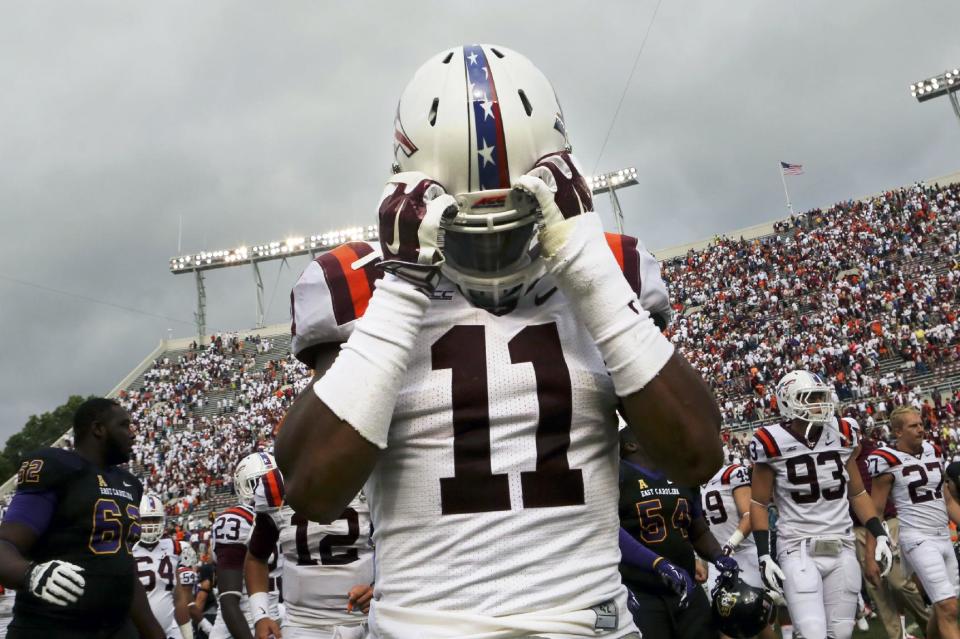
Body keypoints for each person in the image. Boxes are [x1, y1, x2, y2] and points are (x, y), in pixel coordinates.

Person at [277, 43, 722, 638]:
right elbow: (312, 492)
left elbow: (696, 455)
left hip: (588, 623)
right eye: (466, 226)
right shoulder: (361, 285)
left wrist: (588, 271)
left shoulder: (609, 267)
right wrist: (404, 287)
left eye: (515, 222)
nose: (491, 250)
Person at [0, 397, 165, 638]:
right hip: (53, 628)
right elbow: (5, 544)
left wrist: (154, 632)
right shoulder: (58, 467)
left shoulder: (129, 484)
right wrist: (30, 573)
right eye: (123, 425)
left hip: (115, 627)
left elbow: (123, 566)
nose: (132, 433)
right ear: (98, 429)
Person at [749, 370, 893, 639]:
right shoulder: (770, 441)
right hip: (797, 547)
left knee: (839, 633)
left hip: (842, 546)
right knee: (812, 632)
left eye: (820, 396)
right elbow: (758, 503)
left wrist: (879, 532)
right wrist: (764, 555)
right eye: (810, 397)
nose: (819, 403)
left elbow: (858, 494)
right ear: (788, 402)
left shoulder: (843, 432)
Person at [618, 427, 737, 639]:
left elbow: (697, 530)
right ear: (631, 444)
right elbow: (611, 532)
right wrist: (658, 564)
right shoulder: (617, 475)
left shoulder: (681, 474)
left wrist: (718, 556)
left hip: (686, 585)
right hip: (641, 591)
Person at [244, 465, 374, 639]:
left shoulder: (368, 471)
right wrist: (260, 615)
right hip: (303, 624)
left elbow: (398, 544)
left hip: (371, 619)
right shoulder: (275, 484)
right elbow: (255, 559)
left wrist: (379, 588)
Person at [867, 406, 960, 639]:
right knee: (947, 606)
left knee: (945, 609)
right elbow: (875, 510)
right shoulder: (886, 460)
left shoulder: (932, 450)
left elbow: (947, 500)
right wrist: (870, 554)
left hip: (942, 536)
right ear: (898, 432)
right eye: (913, 425)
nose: (921, 429)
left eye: (921, 424)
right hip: (917, 538)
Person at [851, 423, 930, 639]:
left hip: (886, 521)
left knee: (898, 582)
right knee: (875, 586)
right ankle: (897, 636)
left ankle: (928, 622)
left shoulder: (876, 453)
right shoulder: (840, 458)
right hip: (857, 527)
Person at [209, 453, 282, 639]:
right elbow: (228, 600)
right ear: (242, 486)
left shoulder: (286, 515)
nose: (264, 489)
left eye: (270, 482)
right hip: (240, 625)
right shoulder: (235, 521)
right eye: (256, 483)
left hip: (278, 615)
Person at [702, 461, 775, 639]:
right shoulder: (689, 481)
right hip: (718, 560)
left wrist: (730, 544)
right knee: (726, 623)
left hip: (744, 554)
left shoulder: (731, 473)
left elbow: (750, 515)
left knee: (755, 621)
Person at [133, 493, 194, 638]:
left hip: (170, 629)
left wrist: (188, 636)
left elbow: (179, 599)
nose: (151, 524)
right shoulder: (126, 550)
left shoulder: (174, 547)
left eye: (155, 519)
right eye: (146, 520)